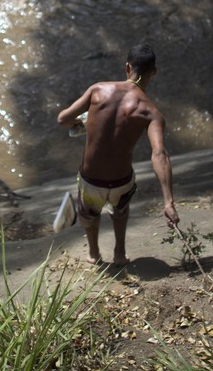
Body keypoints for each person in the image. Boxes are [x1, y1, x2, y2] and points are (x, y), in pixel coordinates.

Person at [57, 43, 179, 265]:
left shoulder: (97, 90)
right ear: (154, 72)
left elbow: (63, 119)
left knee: (89, 215)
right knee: (120, 212)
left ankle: (94, 254)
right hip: (121, 182)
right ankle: (120, 254)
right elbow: (159, 154)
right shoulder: (152, 113)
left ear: (127, 67)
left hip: (91, 180)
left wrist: (81, 123)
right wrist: (168, 202)